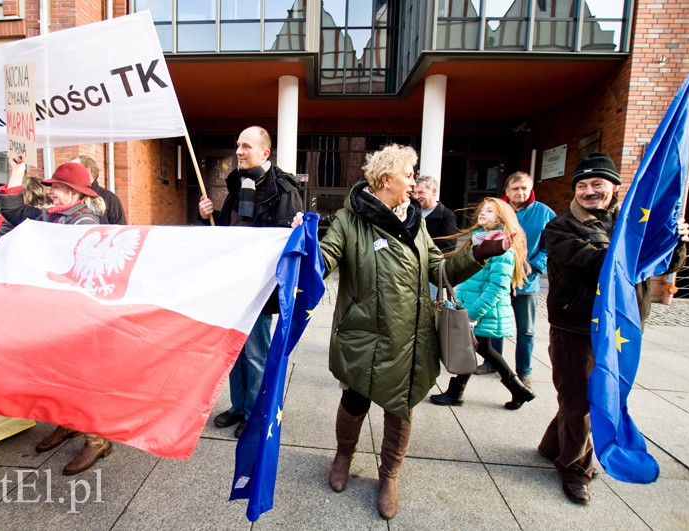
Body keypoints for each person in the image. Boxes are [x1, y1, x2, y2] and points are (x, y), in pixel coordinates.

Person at [293, 144, 511, 519]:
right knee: (355, 402)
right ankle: (344, 455)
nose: (414, 182)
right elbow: (323, 260)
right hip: (363, 336)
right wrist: (302, 243)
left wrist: (478, 254)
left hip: (411, 336)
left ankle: (389, 475)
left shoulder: (416, 221)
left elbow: (436, 271)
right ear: (385, 178)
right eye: (409, 174)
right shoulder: (349, 220)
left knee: (401, 408)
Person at [538, 152, 689, 505]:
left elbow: (665, 263)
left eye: (597, 185)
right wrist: (643, 238)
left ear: (615, 188)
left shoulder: (633, 224)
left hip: (620, 327)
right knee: (583, 402)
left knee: (580, 398)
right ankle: (575, 469)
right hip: (575, 328)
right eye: (583, 185)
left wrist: (673, 238)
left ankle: (551, 446)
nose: (590, 191)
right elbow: (595, 263)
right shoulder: (560, 228)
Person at [0, 156, 112, 475]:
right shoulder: (52, 215)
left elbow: (88, 271)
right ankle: (68, 424)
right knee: (58, 374)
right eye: (52, 187)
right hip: (55, 311)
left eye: (59, 188)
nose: (52, 192)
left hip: (76, 316)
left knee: (80, 377)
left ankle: (96, 439)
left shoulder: (84, 223)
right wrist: (17, 171)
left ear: (77, 194)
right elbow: (13, 211)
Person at [199, 126, 303, 438]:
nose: (239, 152)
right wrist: (210, 214)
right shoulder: (239, 184)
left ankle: (255, 412)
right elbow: (236, 229)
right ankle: (238, 407)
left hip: (260, 286)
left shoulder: (284, 190)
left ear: (265, 153)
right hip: (235, 284)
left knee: (256, 351)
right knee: (235, 350)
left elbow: (286, 242)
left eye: (246, 146)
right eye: (237, 146)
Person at [428, 198, 536, 410]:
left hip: (483, 312)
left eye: (490, 211)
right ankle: (518, 390)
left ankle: (456, 393)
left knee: (471, 348)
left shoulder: (502, 247)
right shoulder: (480, 240)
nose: (483, 213)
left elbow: (497, 288)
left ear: (502, 218)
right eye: (483, 210)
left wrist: (473, 314)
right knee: (482, 349)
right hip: (474, 309)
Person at [478, 171, 555, 386]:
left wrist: (535, 266)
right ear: (507, 191)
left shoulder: (544, 213)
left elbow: (551, 246)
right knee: (494, 325)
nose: (520, 192)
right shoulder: (498, 210)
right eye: (515, 189)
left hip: (527, 281)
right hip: (499, 280)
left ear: (531, 189)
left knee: (526, 330)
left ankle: (524, 370)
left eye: (524, 188)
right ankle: (492, 362)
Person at [70, 154, 127, 225]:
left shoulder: (110, 198)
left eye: (72, 169)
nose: (67, 173)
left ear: (87, 171)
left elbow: (120, 230)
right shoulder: (68, 196)